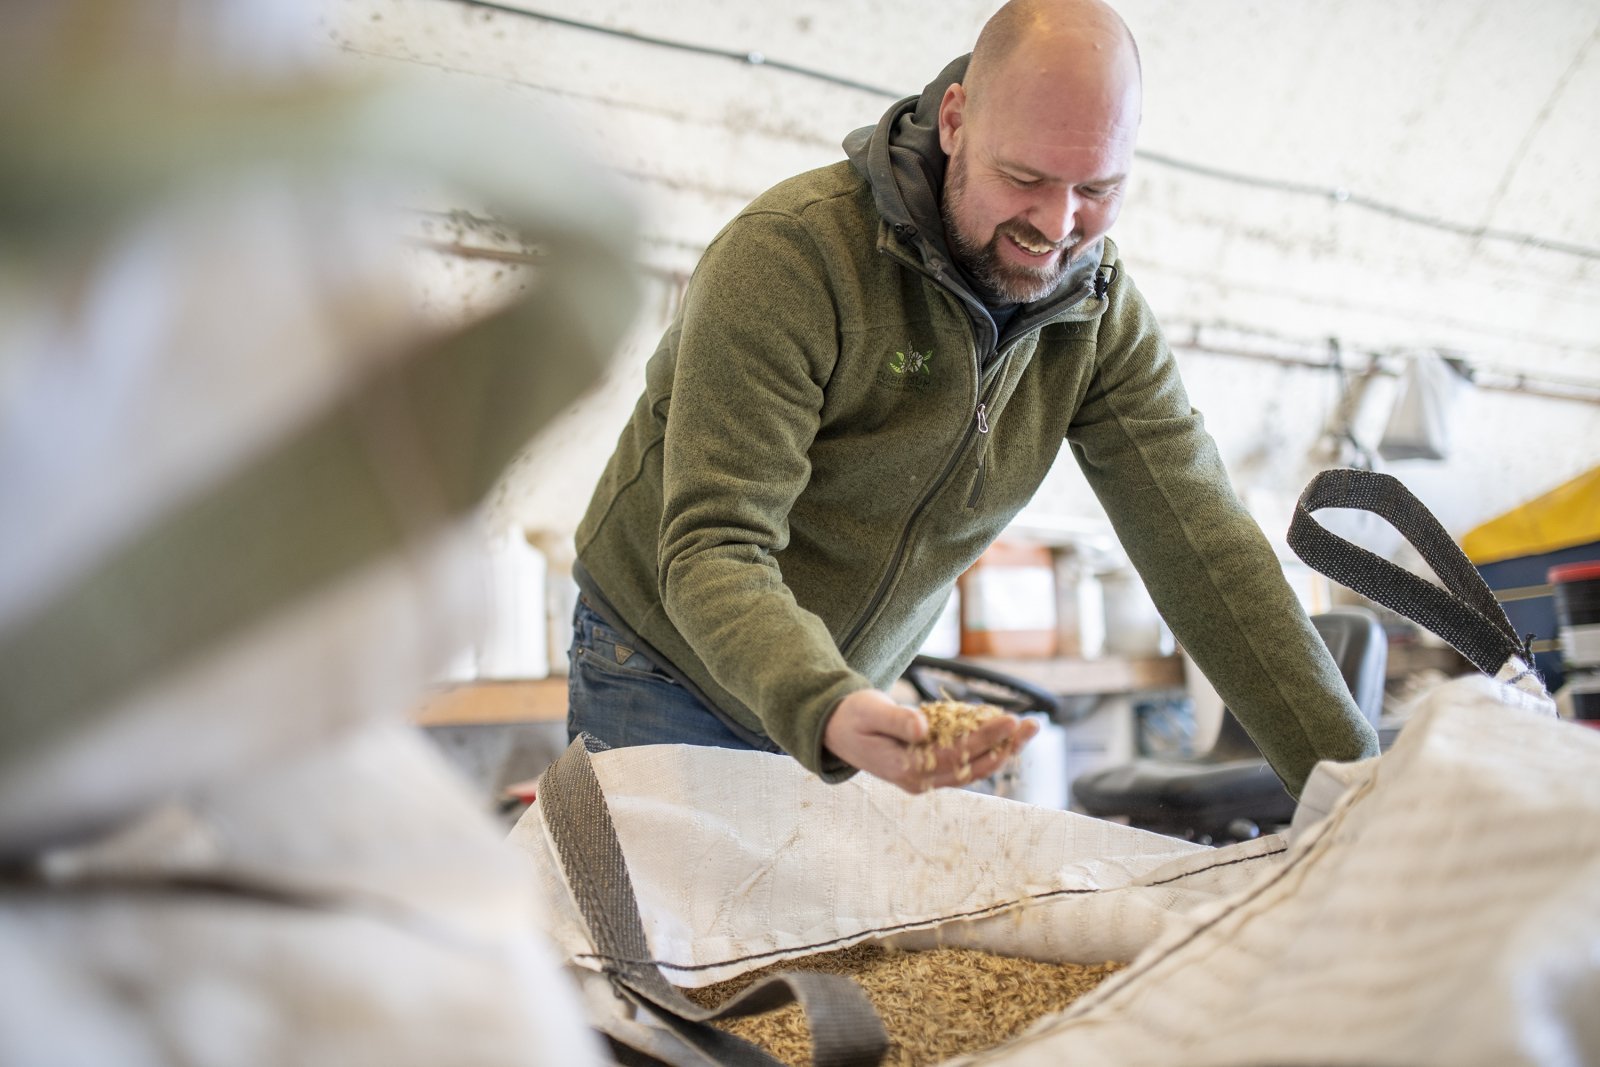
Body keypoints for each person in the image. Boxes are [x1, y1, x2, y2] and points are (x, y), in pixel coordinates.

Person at [566, 0, 1380, 796]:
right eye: (1024, 178)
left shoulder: (1095, 308)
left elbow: (1206, 550)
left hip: (845, 690)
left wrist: (1359, 782)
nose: (1058, 226)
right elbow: (715, 546)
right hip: (664, 664)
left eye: (1097, 188)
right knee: (671, 932)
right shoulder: (793, 257)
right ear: (954, 121)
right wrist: (827, 702)